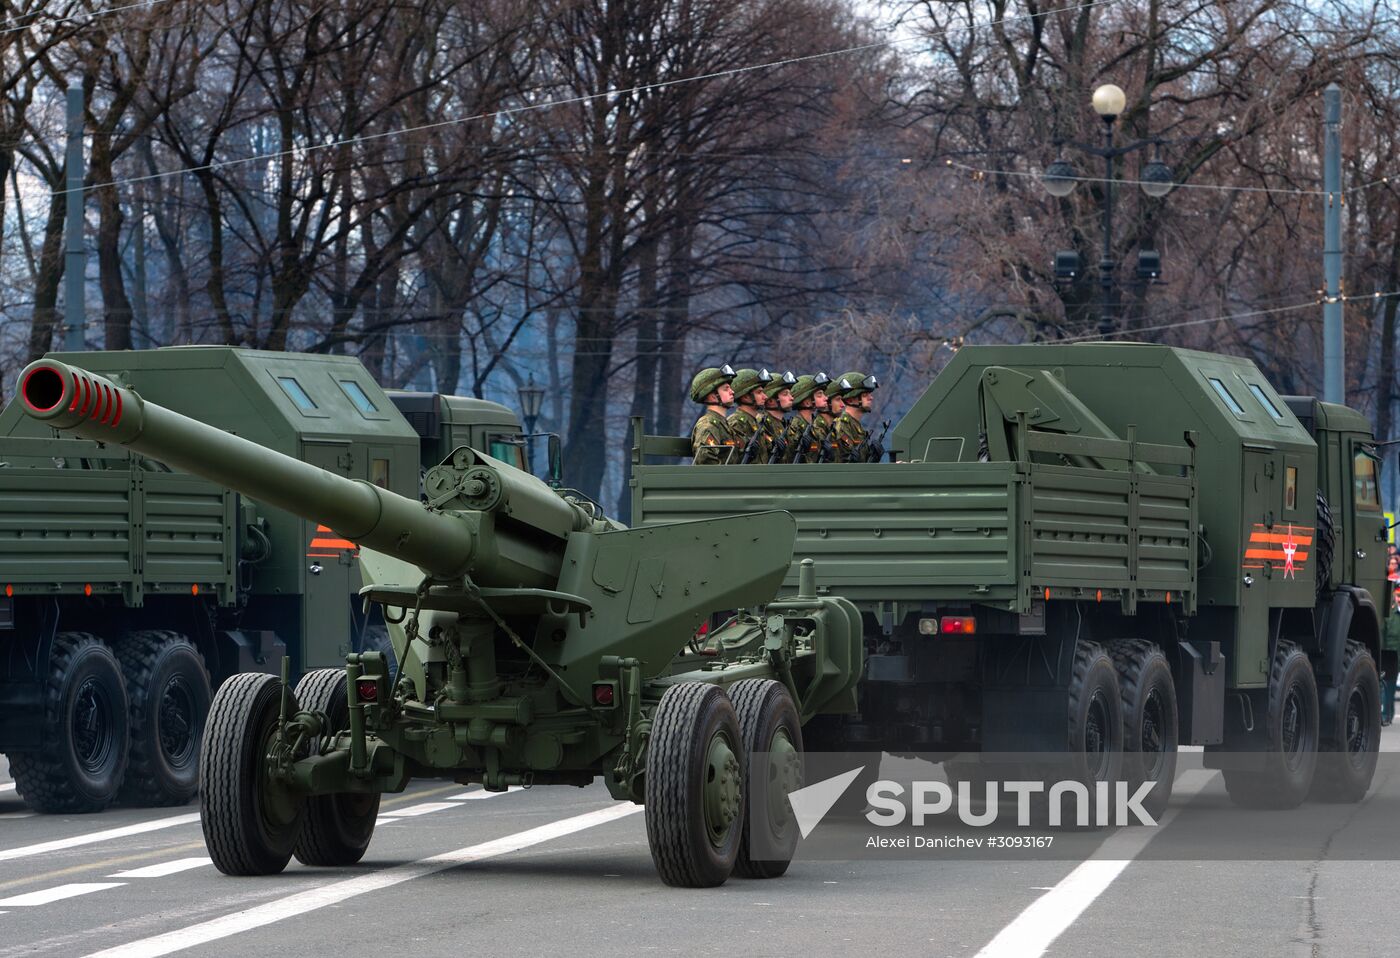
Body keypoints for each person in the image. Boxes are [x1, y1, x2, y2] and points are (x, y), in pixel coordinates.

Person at [688, 365, 737, 465]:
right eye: (725, 389)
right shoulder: (708, 425)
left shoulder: (722, 424)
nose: (732, 392)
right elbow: (706, 461)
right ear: (713, 397)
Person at [727, 368, 772, 464]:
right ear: (745, 396)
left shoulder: (756, 422)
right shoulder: (736, 422)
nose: (765, 397)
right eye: (759, 392)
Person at [785, 372, 831, 463]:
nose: (826, 398)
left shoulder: (815, 428)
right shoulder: (795, 427)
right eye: (819, 395)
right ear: (807, 402)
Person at [832, 371, 877, 463]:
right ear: (850, 400)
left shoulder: (856, 426)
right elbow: (844, 463)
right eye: (865, 395)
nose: (871, 398)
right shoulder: (842, 425)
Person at [764, 371, 798, 463]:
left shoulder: (784, 424)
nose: (791, 398)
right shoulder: (763, 423)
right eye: (785, 394)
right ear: (771, 400)